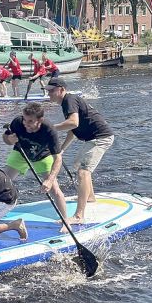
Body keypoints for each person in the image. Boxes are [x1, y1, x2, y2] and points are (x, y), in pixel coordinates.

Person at [46, 79, 114, 225]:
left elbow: (73, 122)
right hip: (92, 139)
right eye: (48, 90)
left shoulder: (69, 99)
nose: (49, 93)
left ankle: (79, 216)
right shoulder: (66, 103)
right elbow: (74, 130)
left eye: (52, 90)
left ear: (61, 89)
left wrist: (51, 127)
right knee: (78, 165)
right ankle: (90, 197)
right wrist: (62, 149)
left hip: (100, 138)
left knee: (83, 172)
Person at [2, 102, 69, 222]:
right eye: (24, 120)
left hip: (42, 156)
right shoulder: (17, 122)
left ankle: (65, 220)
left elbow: (58, 158)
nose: (26, 124)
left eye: (30, 121)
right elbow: (5, 137)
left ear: (40, 120)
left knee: (54, 190)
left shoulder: (49, 130)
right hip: (20, 153)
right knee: (1, 182)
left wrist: (49, 180)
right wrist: (9, 139)